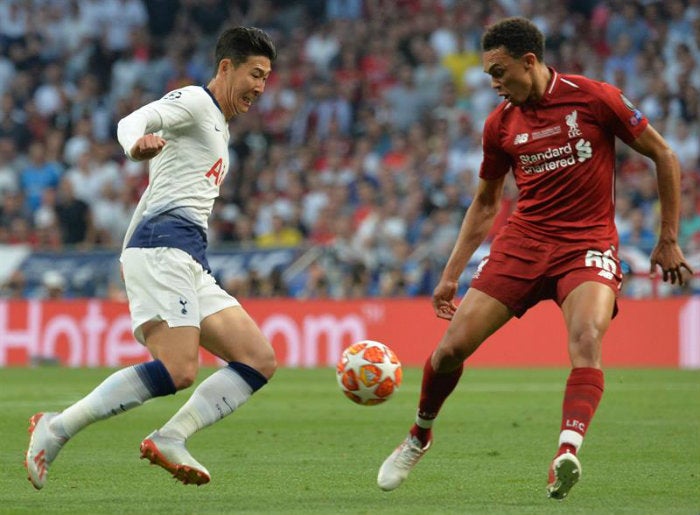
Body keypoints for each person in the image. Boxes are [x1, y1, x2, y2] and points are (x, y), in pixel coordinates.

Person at [376, 17, 693, 500]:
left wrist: (667, 237)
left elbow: (664, 156)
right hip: (522, 245)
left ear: (530, 61)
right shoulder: (499, 125)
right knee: (448, 352)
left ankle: (566, 451)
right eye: (489, 75)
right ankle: (419, 434)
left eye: (500, 72)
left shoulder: (595, 98)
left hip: (586, 246)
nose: (494, 83)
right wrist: (450, 275)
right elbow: (485, 204)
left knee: (586, 336)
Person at [25, 26, 277, 489]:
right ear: (226, 67)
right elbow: (132, 120)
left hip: (188, 254)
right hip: (162, 246)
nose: (260, 87)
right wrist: (134, 143)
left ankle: (171, 436)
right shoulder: (197, 104)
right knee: (180, 369)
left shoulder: (217, 124)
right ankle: (56, 427)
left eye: (266, 78)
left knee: (258, 359)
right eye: (255, 74)